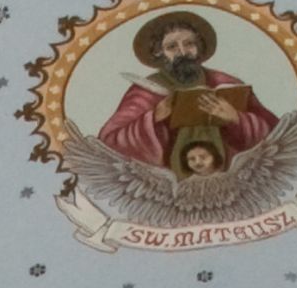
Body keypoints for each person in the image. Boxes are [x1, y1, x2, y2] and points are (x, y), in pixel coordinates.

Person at [98, 10, 278, 178]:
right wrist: (154, 118)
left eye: (189, 44)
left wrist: (236, 118)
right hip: (169, 187)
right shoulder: (146, 91)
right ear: (159, 52)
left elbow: (275, 135)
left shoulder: (226, 82)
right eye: (172, 46)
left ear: (199, 46)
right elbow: (110, 142)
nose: (182, 52)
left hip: (228, 180)